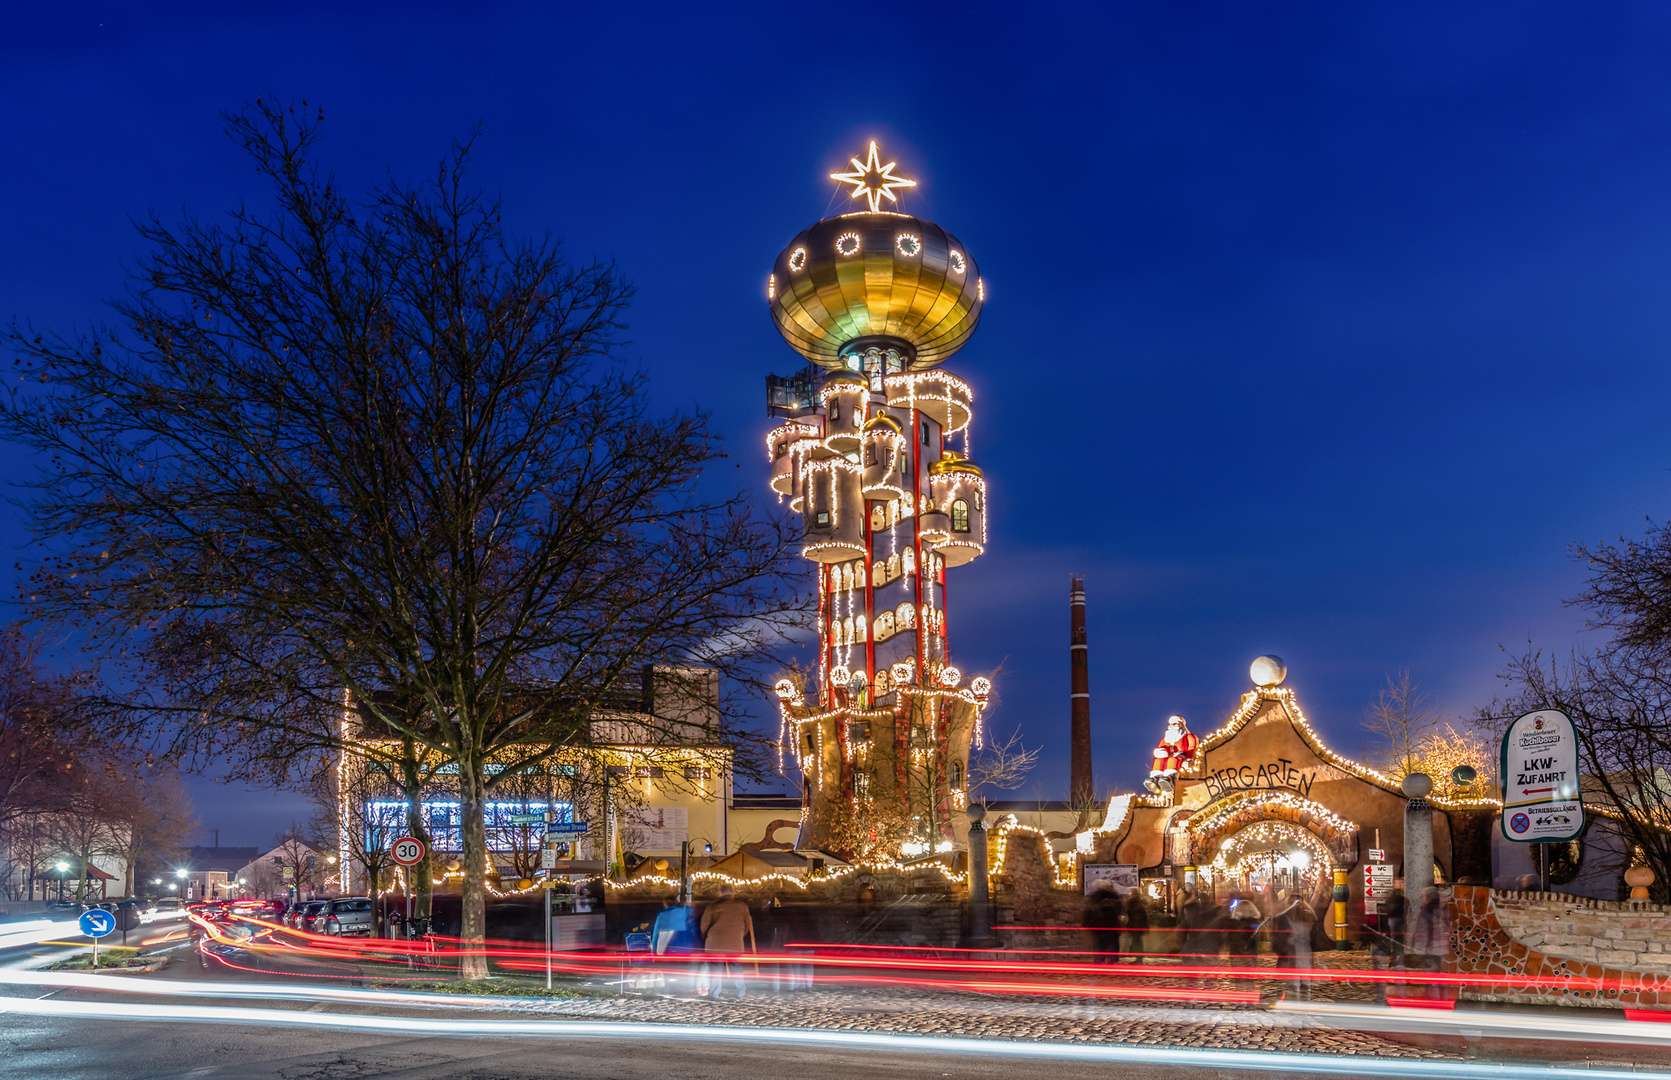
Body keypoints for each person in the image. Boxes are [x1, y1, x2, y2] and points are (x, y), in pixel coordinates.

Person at [699, 885, 755, 998]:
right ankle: (740, 992)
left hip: (715, 943)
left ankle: (714, 994)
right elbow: (747, 925)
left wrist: (706, 936)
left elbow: (704, 925)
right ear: (732, 893)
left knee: (715, 970)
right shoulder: (742, 906)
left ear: (720, 893)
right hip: (735, 943)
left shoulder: (712, 907)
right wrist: (739, 935)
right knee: (737, 969)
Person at [1406, 886, 1451, 1000]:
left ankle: (1433, 998)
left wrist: (1418, 950)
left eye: (1423, 896)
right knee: (1442, 975)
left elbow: (1423, 933)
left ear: (1427, 897)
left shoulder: (1426, 912)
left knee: (1430, 975)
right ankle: (1444, 997)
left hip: (1431, 949)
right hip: (1443, 948)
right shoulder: (1444, 909)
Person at [1084, 887, 1123, 963]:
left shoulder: (1095, 899)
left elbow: (1088, 913)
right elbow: (1119, 911)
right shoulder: (1115, 899)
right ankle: (1112, 959)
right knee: (1111, 943)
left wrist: (1087, 924)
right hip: (1112, 926)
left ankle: (1099, 959)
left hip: (1098, 927)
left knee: (1099, 944)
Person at [1122, 891, 1150, 965]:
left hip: (1136, 925)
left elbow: (1131, 914)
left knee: (1136, 942)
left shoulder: (1133, 903)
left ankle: (1139, 958)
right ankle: (1138, 958)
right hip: (1138, 925)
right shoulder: (1140, 902)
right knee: (1137, 941)